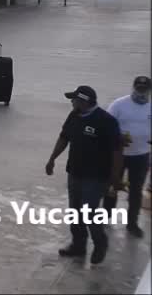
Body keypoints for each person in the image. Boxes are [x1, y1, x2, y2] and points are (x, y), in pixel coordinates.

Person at [45, 86, 123, 265]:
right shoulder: (74, 115)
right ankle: (78, 245)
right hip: (75, 172)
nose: (72, 102)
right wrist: (52, 159)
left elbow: (117, 150)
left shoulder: (106, 121)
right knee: (75, 211)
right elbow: (64, 138)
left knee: (89, 213)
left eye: (74, 99)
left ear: (84, 101)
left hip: (96, 177)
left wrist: (115, 177)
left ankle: (100, 242)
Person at [103, 76, 151, 238]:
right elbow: (106, 125)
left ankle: (132, 224)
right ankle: (105, 218)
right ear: (133, 87)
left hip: (141, 155)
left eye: (144, 89)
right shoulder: (119, 104)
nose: (140, 92)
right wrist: (118, 137)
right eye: (138, 88)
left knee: (136, 191)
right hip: (118, 155)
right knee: (112, 187)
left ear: (149, 90)